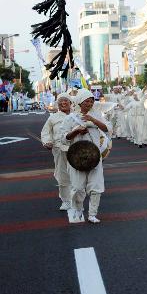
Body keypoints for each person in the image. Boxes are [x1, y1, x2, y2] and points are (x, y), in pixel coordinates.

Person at [58, 90, 111, 224]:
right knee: (77, 187)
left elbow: (107, 129)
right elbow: (64, 138)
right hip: (77, 157)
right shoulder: (70, 118)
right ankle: (78, 209)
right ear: (80, 102)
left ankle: (92, 214)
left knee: (96, 186)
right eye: (87, 101)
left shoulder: (97, 115)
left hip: (94, 155)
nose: (89, 103)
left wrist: (93, 120)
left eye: (91, 101)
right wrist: (76, 131)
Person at [40, 93, 73, 211]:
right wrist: (47, 142)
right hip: (59, 150)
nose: (63, 103)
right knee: (62, 175)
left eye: (66, 101)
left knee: (77, 175)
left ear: (71, 103)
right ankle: (66, 200)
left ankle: (77, 198)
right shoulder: (53, 117)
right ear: (57, 104)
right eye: (60, 101)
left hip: (76, 150)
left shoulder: (77, 116)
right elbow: (45, 132)